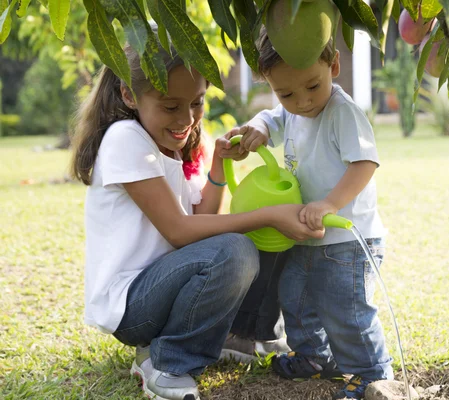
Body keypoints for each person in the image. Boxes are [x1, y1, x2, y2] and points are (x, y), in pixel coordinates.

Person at [70, 27, 323, 400]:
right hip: (133, 305)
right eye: (170, 106)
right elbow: (179, 230)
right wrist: (268, 215)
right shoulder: (126, 138)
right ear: (129, 94)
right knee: (237, 247)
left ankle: (241, 336)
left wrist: (218, 164)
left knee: (257, 236)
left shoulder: (173, 146)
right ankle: (168, 362)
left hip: (171, 287)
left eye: (197, 102)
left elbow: (202, 214)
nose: (186, 118)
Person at [234, 28, 394, 399]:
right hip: (306, 235)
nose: (302, 101)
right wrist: (257, 127)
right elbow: (273, 119)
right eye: (286, 93)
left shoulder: (343, 113)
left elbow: (365, 163)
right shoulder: (291, 111)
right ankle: (313, 356)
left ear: (333, 65)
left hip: (347, 241)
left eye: (311, 87)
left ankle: (372, 374)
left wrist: (329, 204)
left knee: (347, 310)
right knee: (296, 298)